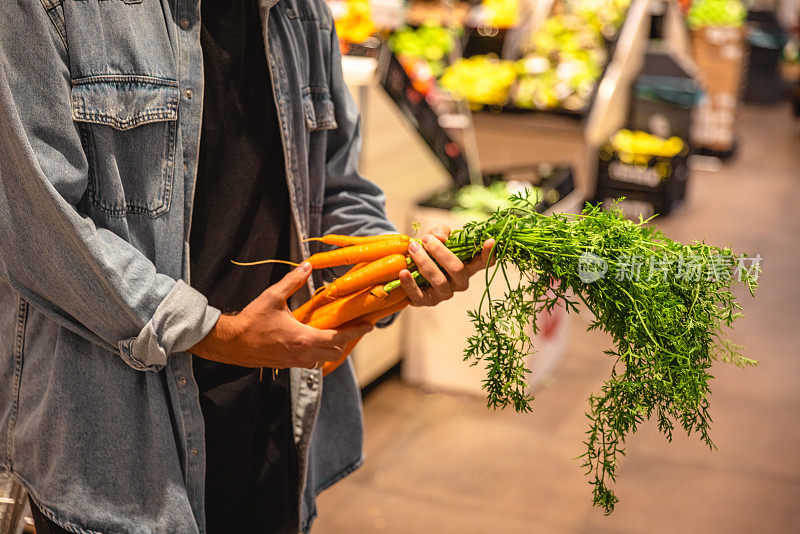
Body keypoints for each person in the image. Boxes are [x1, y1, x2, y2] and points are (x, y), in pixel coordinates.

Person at [0, 0, 493, 532]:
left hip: (275, 411)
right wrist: (222, 335)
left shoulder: (300, 12)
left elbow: (339, 187)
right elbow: (38, 226)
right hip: (119, 449)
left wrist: (401, 271)